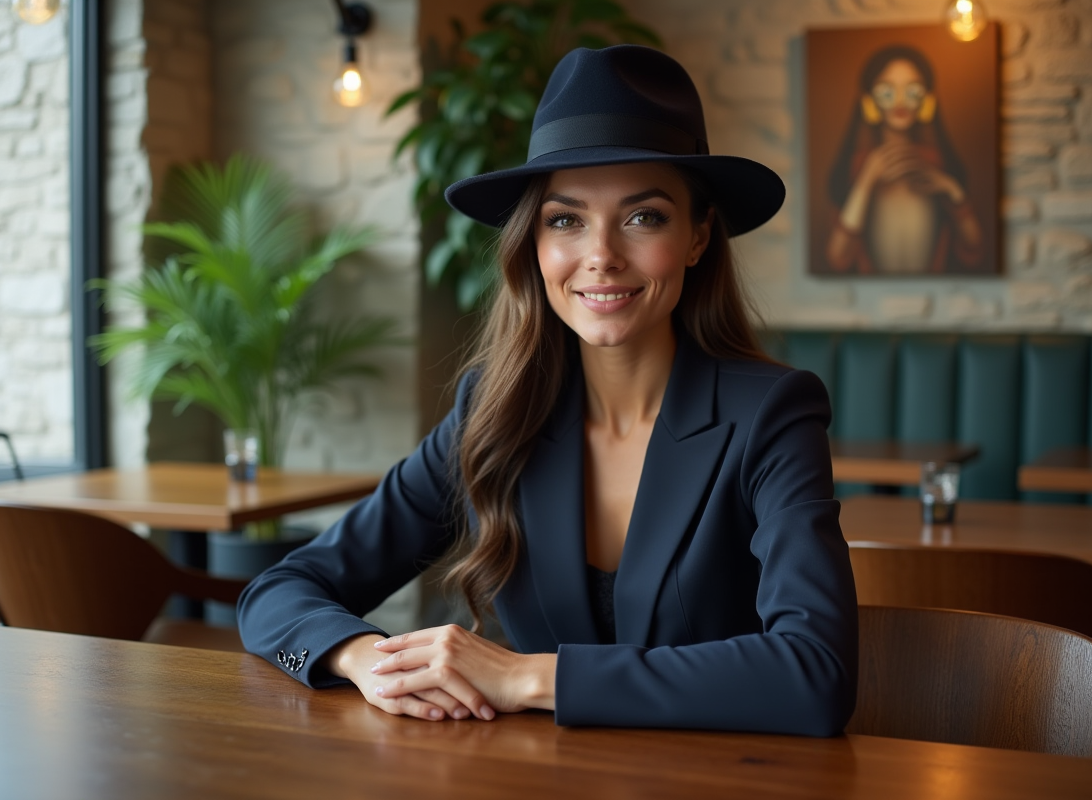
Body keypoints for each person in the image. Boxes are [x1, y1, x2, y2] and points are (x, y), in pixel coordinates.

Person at [238, 44, 857, 736]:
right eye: (565, 220)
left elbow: (816, 675)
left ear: (697, 236)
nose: (601, 255)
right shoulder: (493, 412)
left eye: (643, 216)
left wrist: (524, 675)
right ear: (532, 242)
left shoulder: (771, 414)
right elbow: (276, 595)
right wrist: (362, 660)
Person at [825, 44, 982, 274]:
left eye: (912, 91)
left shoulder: (937, 165)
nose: (900, 102)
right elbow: (837, 257)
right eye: (887, 91)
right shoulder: (859, 166)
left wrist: (952, 190)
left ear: (928, 99)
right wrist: (866, 181)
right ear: (869, 100)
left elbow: (974, 249)